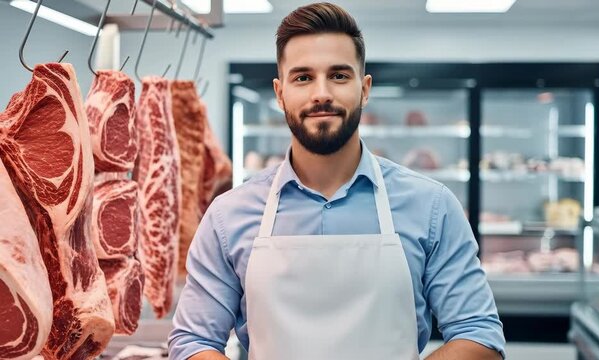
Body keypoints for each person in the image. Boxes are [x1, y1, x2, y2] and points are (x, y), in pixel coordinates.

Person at [168, 3, 505, 359]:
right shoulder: (228, 216)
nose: (321, 93)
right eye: (303, 77)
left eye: (339, 75)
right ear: (280, 93)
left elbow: (478, 334)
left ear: (365, 88)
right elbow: (193, 342)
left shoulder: (432, 206)